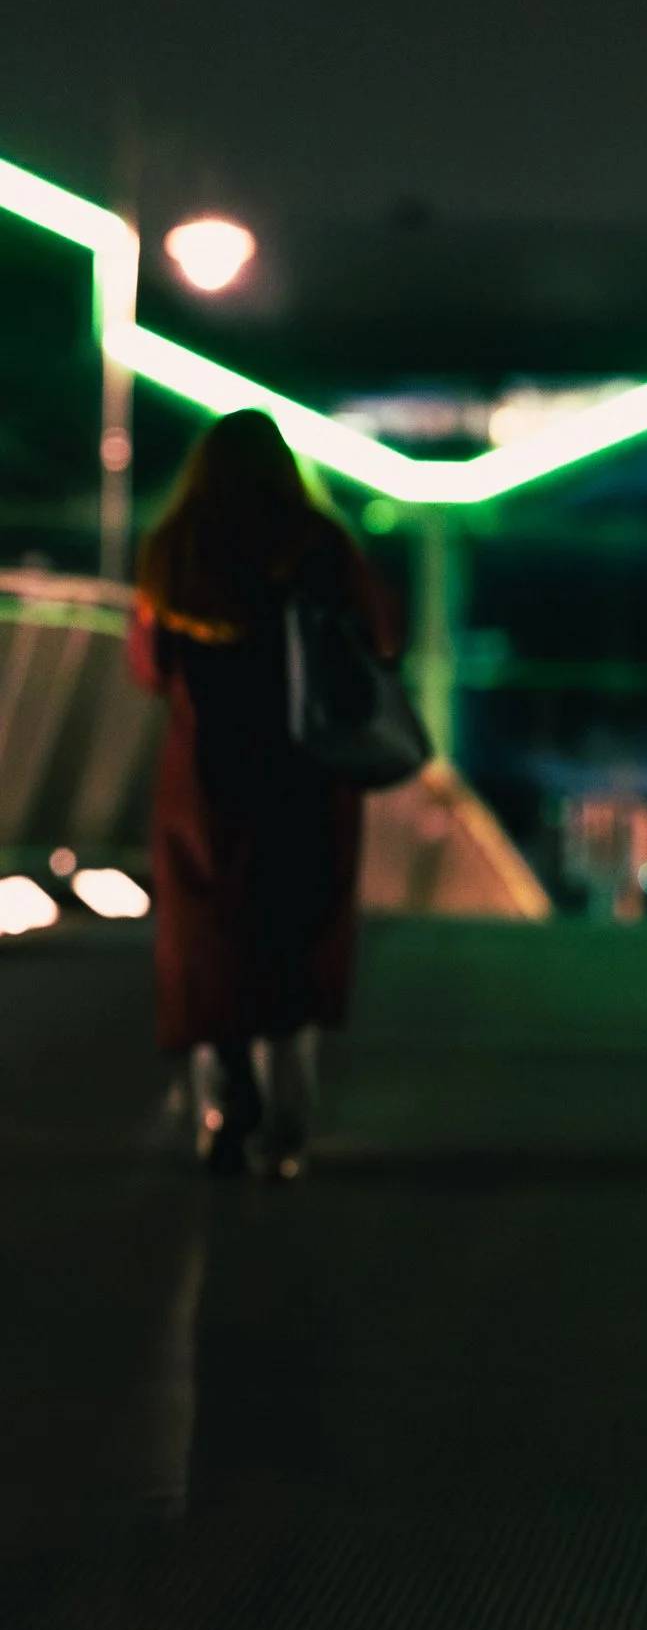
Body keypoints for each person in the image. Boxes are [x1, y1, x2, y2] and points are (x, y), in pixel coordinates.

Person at [129, 409, 395, 1176]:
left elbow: (150, 668)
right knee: (294, 937)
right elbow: (375, 639)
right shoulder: (318, 546)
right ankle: (287, 1122)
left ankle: (225, 1102)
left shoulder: (173, 549)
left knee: (212, 940)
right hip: (305, 778)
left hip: (204, 780)